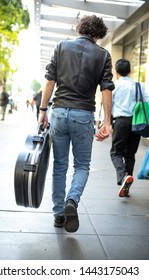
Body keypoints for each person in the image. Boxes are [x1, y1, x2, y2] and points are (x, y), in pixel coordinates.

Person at [38, 15, 114, 232]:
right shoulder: (102, 55)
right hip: (83, 116)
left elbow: (50, 80)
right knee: (81, 165)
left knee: (60, 166)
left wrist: (43, 110)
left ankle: (58, 215)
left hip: (59, 113)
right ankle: (72, 200)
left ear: (80, 29)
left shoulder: (61, 47)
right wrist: (107, 122)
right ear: (98, 35)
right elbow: (106, 89)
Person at [110, 59, 149, 197]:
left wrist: (106, 123)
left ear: (116, 71)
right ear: (130, 71)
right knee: (130, 154)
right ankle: (127, 184)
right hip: (136, 123)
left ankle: (123, 176)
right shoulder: (138, 85)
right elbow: (146, 103)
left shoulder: (114, 86)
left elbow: (109, 105)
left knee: (116, 152)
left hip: (121, 122)